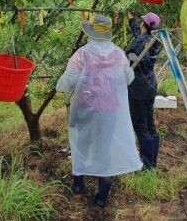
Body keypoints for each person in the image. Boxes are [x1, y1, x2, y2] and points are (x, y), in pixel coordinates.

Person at [56, 14, 143, 208]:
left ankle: (78, 187)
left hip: (84, 108)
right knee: (105, 147)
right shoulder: (118, 54)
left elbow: (68, 80)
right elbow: (128, 78)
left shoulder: (82, 54)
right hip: (108, 110)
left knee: (82, 144)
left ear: (91, 32)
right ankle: (102, 196)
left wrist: (61, 87)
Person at [125, 12, 161, 169]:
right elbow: (139, 35)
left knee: (140, 125)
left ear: (144, 25)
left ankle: (147, 163)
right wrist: (131, 20)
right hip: (150, 84)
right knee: (149, 123)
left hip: (138, 87)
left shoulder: (140, 42)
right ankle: (152, 160)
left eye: (141, 22)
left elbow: (132, 54)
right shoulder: (153, 39)